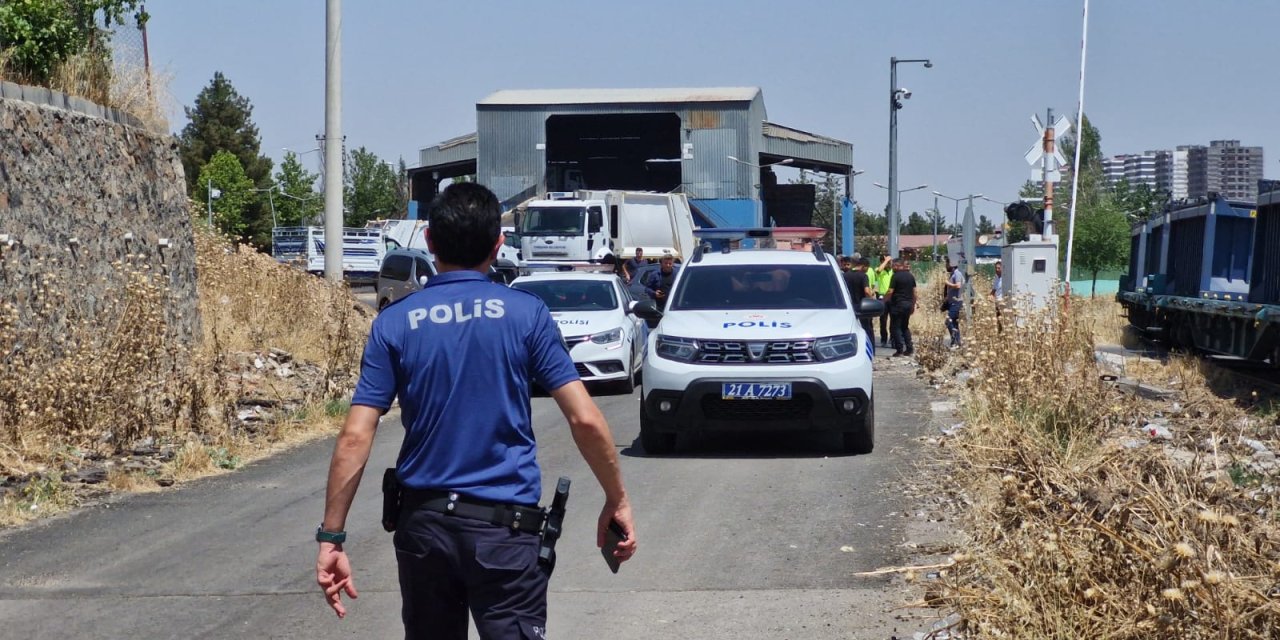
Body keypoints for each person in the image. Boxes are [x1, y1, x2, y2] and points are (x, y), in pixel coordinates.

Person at [315, 183, 637, 638]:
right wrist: (616, 498)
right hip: (506, 533)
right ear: (498, 244)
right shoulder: (527, 315)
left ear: (429, 242)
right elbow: (584, 417)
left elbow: (354, 436)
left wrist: (332, 537)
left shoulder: (394, 322)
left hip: (424, 530)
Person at [885, 259, 917, 357]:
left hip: (898, 305)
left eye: (893, 266)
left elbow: (890, 291)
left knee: (896, 327)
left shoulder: (895, 276)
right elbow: (915, 292)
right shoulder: (910, 276)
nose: (892, 268)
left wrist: (884, 301)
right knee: (905, 327)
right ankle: (909, 349)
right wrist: (913, 304)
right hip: (908, 305)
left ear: (897, 266)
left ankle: (899, 350)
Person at [845, 257, 875, 339]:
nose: (867, 270)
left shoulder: (846, 275)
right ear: (863, 266)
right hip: (862, 307)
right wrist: (872, 299)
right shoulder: (863, 276)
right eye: (867, 268)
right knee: (867, 329)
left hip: (849, 307)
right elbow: (867, 291)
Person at [943, 260, 965, 348]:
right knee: (954, 323)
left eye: (947, 264)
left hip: (957, 302)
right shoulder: (952, 274)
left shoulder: (957, 274)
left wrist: (947, 283)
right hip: (952, 301)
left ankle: (955, 340)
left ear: (951, 264)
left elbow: (958, 285)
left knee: (948, 321)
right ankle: (957, 342)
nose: (946, 266)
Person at [873, 255, 893, 347]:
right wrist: (885, 261)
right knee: (883, 320)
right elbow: (878, 271)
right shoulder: (879, 270)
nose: (889, 263)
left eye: (890, 261)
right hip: (882, 297)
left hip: (892, 297)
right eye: (887, 262)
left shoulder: (893, 271)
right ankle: (883, 339)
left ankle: (893, 338)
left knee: (894, 319)